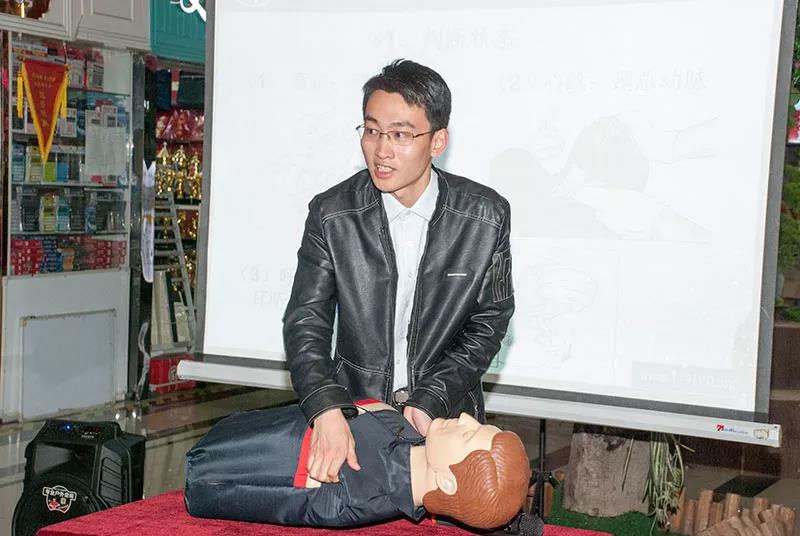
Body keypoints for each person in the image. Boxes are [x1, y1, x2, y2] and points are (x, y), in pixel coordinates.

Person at [283, 59, 515, 486]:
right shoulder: (332, 214)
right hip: (355, 420)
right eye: (372, 131)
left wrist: (430, 398)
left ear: (438, 140)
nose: (381, 150)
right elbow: (306, 321)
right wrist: (326, 408)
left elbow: (489, 322)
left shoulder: (485, 216)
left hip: (445, 423)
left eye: (401, 134)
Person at [184, 401, 531, 529]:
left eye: (469, 434)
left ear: (448, 481)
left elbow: (226, 484)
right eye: (477, 423)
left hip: (214, 461)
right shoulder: (403, 428)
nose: (467, 418)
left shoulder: (350, 491)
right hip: (232, 430)